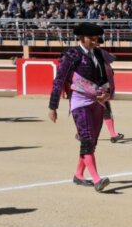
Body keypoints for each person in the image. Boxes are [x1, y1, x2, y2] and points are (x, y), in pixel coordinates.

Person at [48, 22, 116, 192]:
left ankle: (79, 174)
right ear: (81, 38)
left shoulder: (100, 54)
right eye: (91, 38)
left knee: (91, 142)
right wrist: (53, 106)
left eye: (96, 38)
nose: (95, 41)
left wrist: (109, 94)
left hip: (98, 102)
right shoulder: (71, 54)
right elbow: (59, 80)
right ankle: (96, 179)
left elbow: (109, 76)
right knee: (86, 138)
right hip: (80, 102)